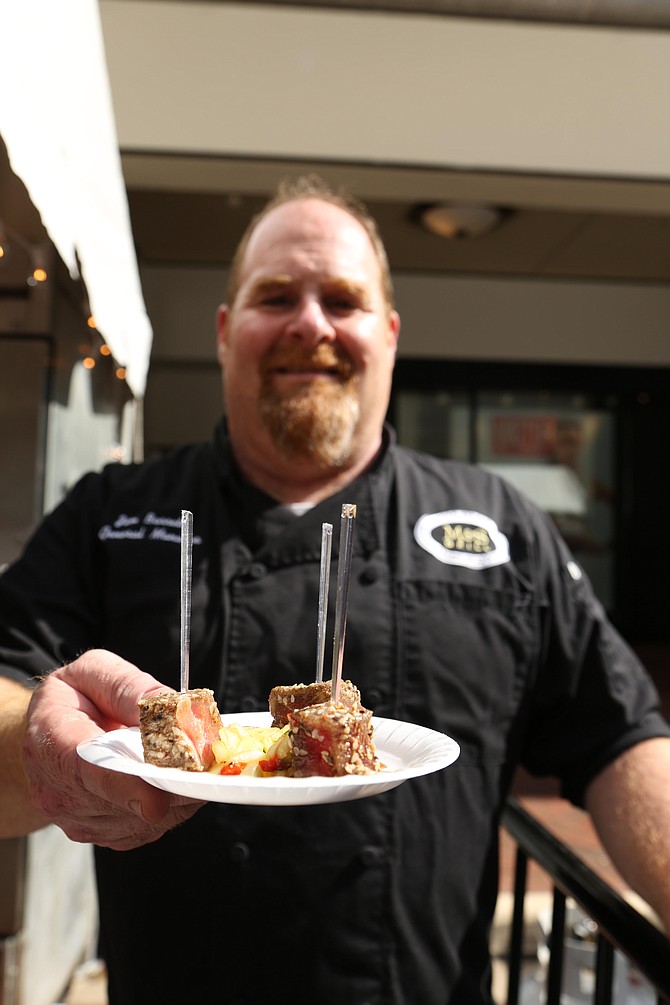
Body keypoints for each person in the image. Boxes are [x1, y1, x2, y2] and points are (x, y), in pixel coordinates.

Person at [1, 176, 669, 1005]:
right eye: (275, 295)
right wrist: (35, 734)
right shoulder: (113, 514)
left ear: (389, 334)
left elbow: (623, 741)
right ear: (222, 332)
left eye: (344, 301)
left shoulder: (502, 529)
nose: (310, 322)